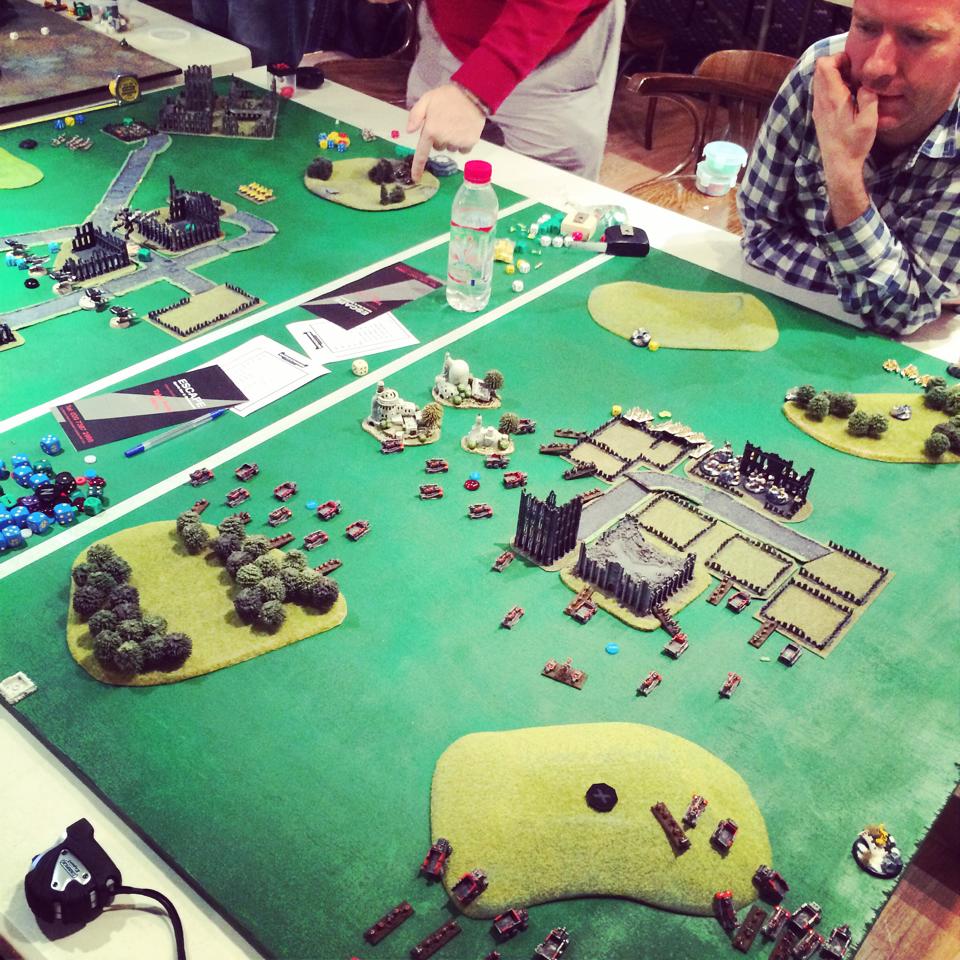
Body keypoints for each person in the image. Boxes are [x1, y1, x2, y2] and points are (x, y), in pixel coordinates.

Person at [737, 0, 960, 337]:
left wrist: (842, 170)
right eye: (866, 26)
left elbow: (902, 312)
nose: (875, 67)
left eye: (917, 37)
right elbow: (760, 236)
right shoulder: (819, 70)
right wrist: (883, 288)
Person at [369, 0, 626, 182]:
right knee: (426, 173)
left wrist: (475, 89)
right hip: (450, 28)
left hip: (553, 42)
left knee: (545, 199)